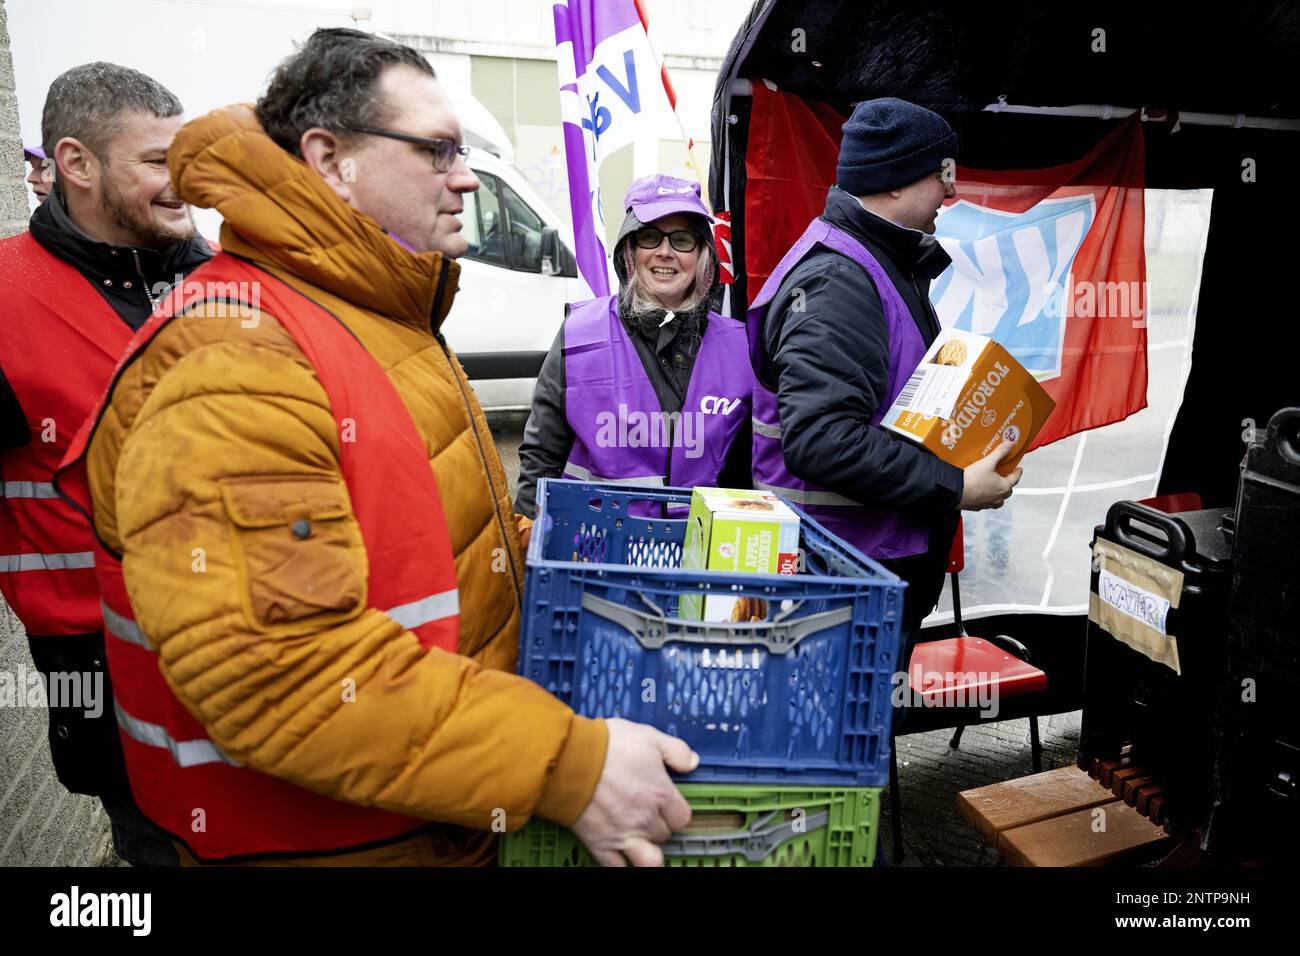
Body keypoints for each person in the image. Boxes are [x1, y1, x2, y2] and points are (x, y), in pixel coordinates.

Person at [56, 28, 695, 868]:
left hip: (422, 820)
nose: (466, 176)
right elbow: (280, 668)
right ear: (329, 158)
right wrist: (566, 766)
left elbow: (409, 539)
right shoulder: (236, 357)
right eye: (436, 150)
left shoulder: (368, 312)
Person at [0, 63, 215, 867]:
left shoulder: (218, 277)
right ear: (77, 163)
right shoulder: (6, 297)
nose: (184, 179)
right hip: (105, 681)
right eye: (159, 160)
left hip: (249, 656)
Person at [747, 97, 1022, 668]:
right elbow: (821, 437)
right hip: (836, 583)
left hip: (859, 574)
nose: (951, 193)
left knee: (860, 746)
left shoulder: (875, 261)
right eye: (942, 174)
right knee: (839, 748)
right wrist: (955, 485)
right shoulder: (838, 280)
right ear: (895, 182)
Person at [515, 174, 751, 516]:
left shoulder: (739, 348)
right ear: (631, 249)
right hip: (595, 552)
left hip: (700, 559)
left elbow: (747, 474)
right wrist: (524, 541)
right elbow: (541, 458)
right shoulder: (579, 334)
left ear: (702, 254)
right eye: (650, 237)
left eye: (682, 239)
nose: (665, 252)